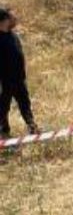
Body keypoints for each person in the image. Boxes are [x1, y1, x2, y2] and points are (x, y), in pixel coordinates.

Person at [0, 8, 39, 139]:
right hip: (4, 81)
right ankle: (3, 132)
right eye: (10, 17)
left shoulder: (13, 35)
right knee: (3, 107)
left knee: (25, 103)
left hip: (18, 79)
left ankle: (32, 126)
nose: (14, 19)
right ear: (4, 21)